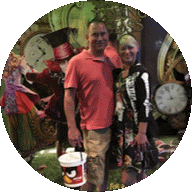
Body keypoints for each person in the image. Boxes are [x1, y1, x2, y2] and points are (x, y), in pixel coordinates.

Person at [64, 19, 120, 191]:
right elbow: (69, 96)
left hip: (116, 125)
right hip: (95, 128)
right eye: (95, 34)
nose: (100, 38)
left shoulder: (112, 60)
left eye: (103, 34)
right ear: (87, 37)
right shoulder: (77, 61)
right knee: (93, 177)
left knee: (104, 172)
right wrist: (72, 127)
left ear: (107, 36)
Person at [26, 28, 78, 158]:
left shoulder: (80, 70)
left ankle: (81, 162)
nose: (65, 65)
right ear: (56, 62)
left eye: (68, 60)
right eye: (61, 62)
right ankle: (63, 163)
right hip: (61, 111)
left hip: (79, 110)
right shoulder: (52, 75)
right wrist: (28, 74)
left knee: (80, 140)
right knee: (60, 138)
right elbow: (38, 77)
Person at [115, 35, 157, 186]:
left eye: (130, 47)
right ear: (118, 51)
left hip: (137, 129)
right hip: (125, 129)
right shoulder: (120, 74)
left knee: (129, 176)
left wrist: (142, 133)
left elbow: (145, 103)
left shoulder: (141, 73)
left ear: (137, 48)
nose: (127, 51)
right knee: (140, 171)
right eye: (123, 48)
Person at [0, 52, 41, 162]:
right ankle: (26, 151)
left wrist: (26, 68)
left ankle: (27, 150)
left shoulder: (18, 61)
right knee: (20, 124)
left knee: (23, 123)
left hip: (15, 95)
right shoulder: (17, 62)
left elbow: (30, 77)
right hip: (13, 96)